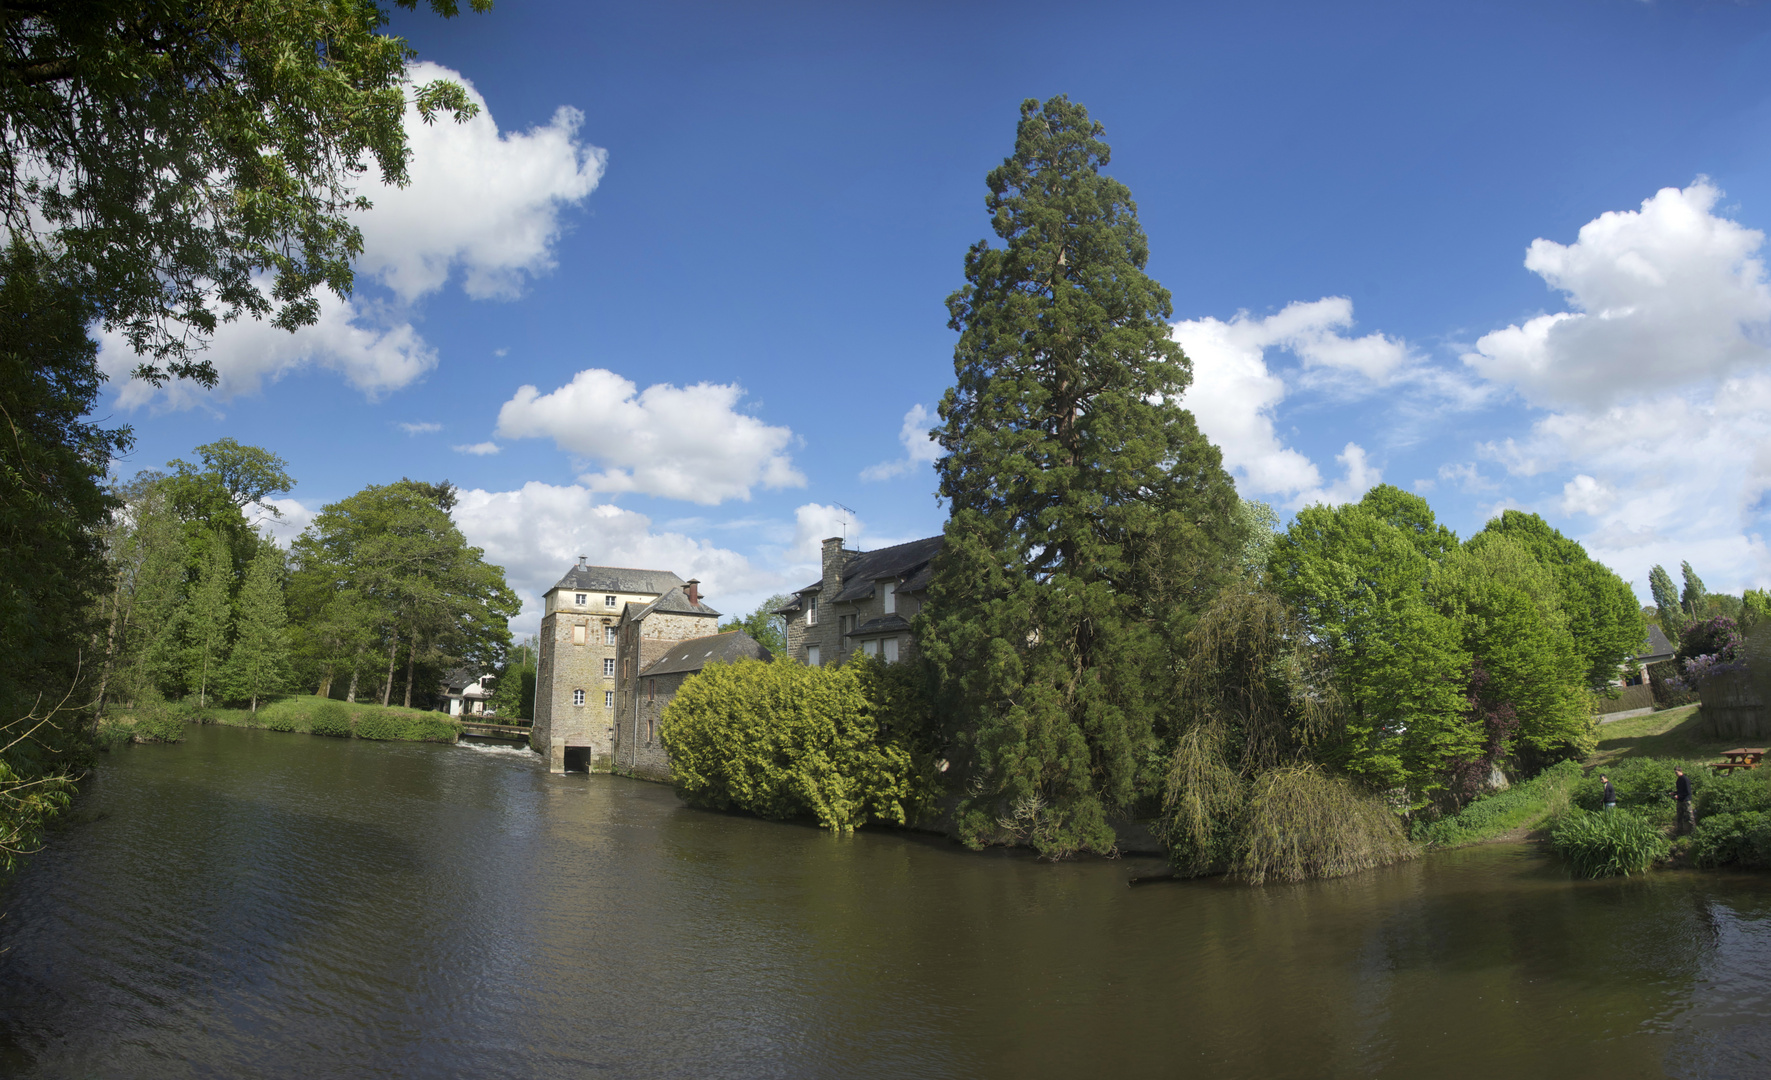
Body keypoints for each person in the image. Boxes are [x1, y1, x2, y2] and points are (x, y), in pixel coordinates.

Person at [1672, 767, 1694, 834]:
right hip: (1680, 801)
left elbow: (1687, 792)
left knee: (1690, 817)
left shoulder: (1685, 779)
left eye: (1676, 772)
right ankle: (1680, 831)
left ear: (1680, 771)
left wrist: (1678, 796)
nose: (1676, 774)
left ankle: (1693, 832)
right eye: (1675, 773)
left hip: (1686, 801)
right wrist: (1675, 793)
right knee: (1679, 817)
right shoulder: (1678, 780)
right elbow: (1680, 791)